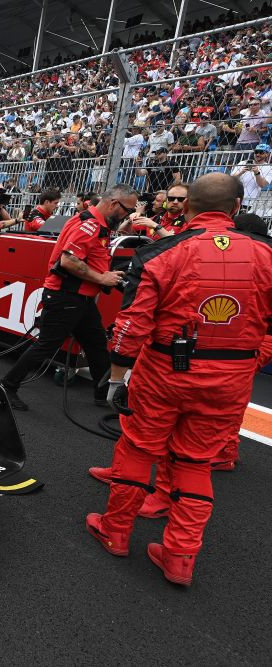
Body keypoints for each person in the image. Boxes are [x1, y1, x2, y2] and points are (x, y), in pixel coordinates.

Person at [86, 173, 272, 587]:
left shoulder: (161, 253)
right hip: (230, 380)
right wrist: (249, 360)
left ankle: (115, 532)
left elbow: (131, 325)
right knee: (195, 462)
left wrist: (116, 379)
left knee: (138, 449)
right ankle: (180, 557)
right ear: (237, 207)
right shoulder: (266, 254)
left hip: (164, 373)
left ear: (186, 206)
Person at [0, 184, 136, 411]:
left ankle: (103, 394)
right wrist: (102, 278)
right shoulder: (89, 225)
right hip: (66, 297)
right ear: (114, 203)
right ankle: (8, 385)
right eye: (128, 210)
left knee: (96, 345)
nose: (128, 215)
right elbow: (69, 261)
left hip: (80, 298)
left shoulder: (93, 221)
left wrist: (105, 274)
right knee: (46, 346)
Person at [231, 143, 272, 217]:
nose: (258, 154)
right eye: (256, 152)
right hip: (233, 198)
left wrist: (257, 173)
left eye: (261, 152)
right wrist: (241, 172)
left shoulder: (268, 168)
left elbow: (262, 185)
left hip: (247, 202)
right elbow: (231, 178)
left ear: (267, 154)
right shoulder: (243, 163)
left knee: (238, 221)